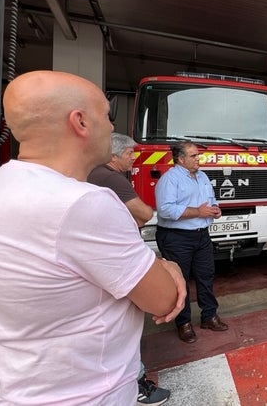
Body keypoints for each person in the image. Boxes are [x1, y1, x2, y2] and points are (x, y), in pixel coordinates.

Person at [0, 70, 186, 405]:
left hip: (0, 391)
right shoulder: (83, 204)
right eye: (106, 116)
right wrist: (169, 266)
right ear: (80, 122)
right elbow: (163, 299)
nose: (111, 127)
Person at [88, 132, 170, 406]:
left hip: (104, 259)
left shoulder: (99, 175)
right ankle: (137, 385)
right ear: (114, 156)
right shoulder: (109, 177)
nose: (134, 158)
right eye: (129, 154)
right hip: (115, 259)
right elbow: (145, 213)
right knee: (121, 322)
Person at [155, 141, 228, 344]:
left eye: (198, 155)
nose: (199, 159)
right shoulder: (170, 179)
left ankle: (209, 316)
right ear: (181, 159)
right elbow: (166, 210)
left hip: (201, 235)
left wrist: (215, 209)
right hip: (177, 237)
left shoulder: (202, 176)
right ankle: (183, 323)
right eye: (194, 156)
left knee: (206, 275)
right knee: (180, 280)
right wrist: (198, 212)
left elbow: (211, 200)